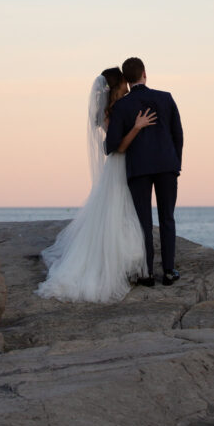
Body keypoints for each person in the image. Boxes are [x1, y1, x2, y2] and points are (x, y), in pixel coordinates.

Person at [36, 67, 157, 303]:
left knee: (121, 212)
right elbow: (119, 147)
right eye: (123, 81)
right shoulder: (111, 114)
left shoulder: (115, 108)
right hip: (119, 165)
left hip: (120, 166)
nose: (126, 84)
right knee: (119, 213)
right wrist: (137, 127)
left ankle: (126, 264)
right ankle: (121, 266)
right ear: (116, 86)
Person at [106, 57, 183, 286]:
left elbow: (111, 146)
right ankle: (169, 271)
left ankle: (147, 272)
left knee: (143, 223)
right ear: (145, 74)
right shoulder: (165, 98)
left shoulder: (121, 106)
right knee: (167, 217)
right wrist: (175, 164)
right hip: (167, 166)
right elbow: (178, 135)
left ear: (127, 81)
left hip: (138, 169)